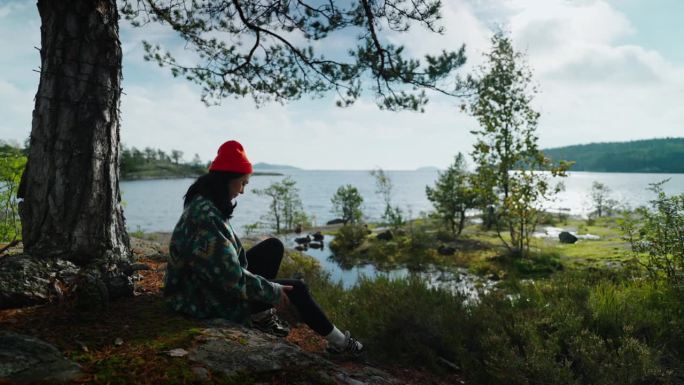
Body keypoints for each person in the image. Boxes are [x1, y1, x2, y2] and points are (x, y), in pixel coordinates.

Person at [164, 140, 363, 356]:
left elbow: (222, 267)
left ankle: (260, 316)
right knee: (297, 289)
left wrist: (265, 289)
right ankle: (342, 344)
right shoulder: (206, 219)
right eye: (243, 183)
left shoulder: (202, 202)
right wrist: (272, 291)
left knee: (273, 247)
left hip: (198, 286)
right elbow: (231, 281)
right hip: (199, 300)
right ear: (227, 180)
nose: (242, 191)